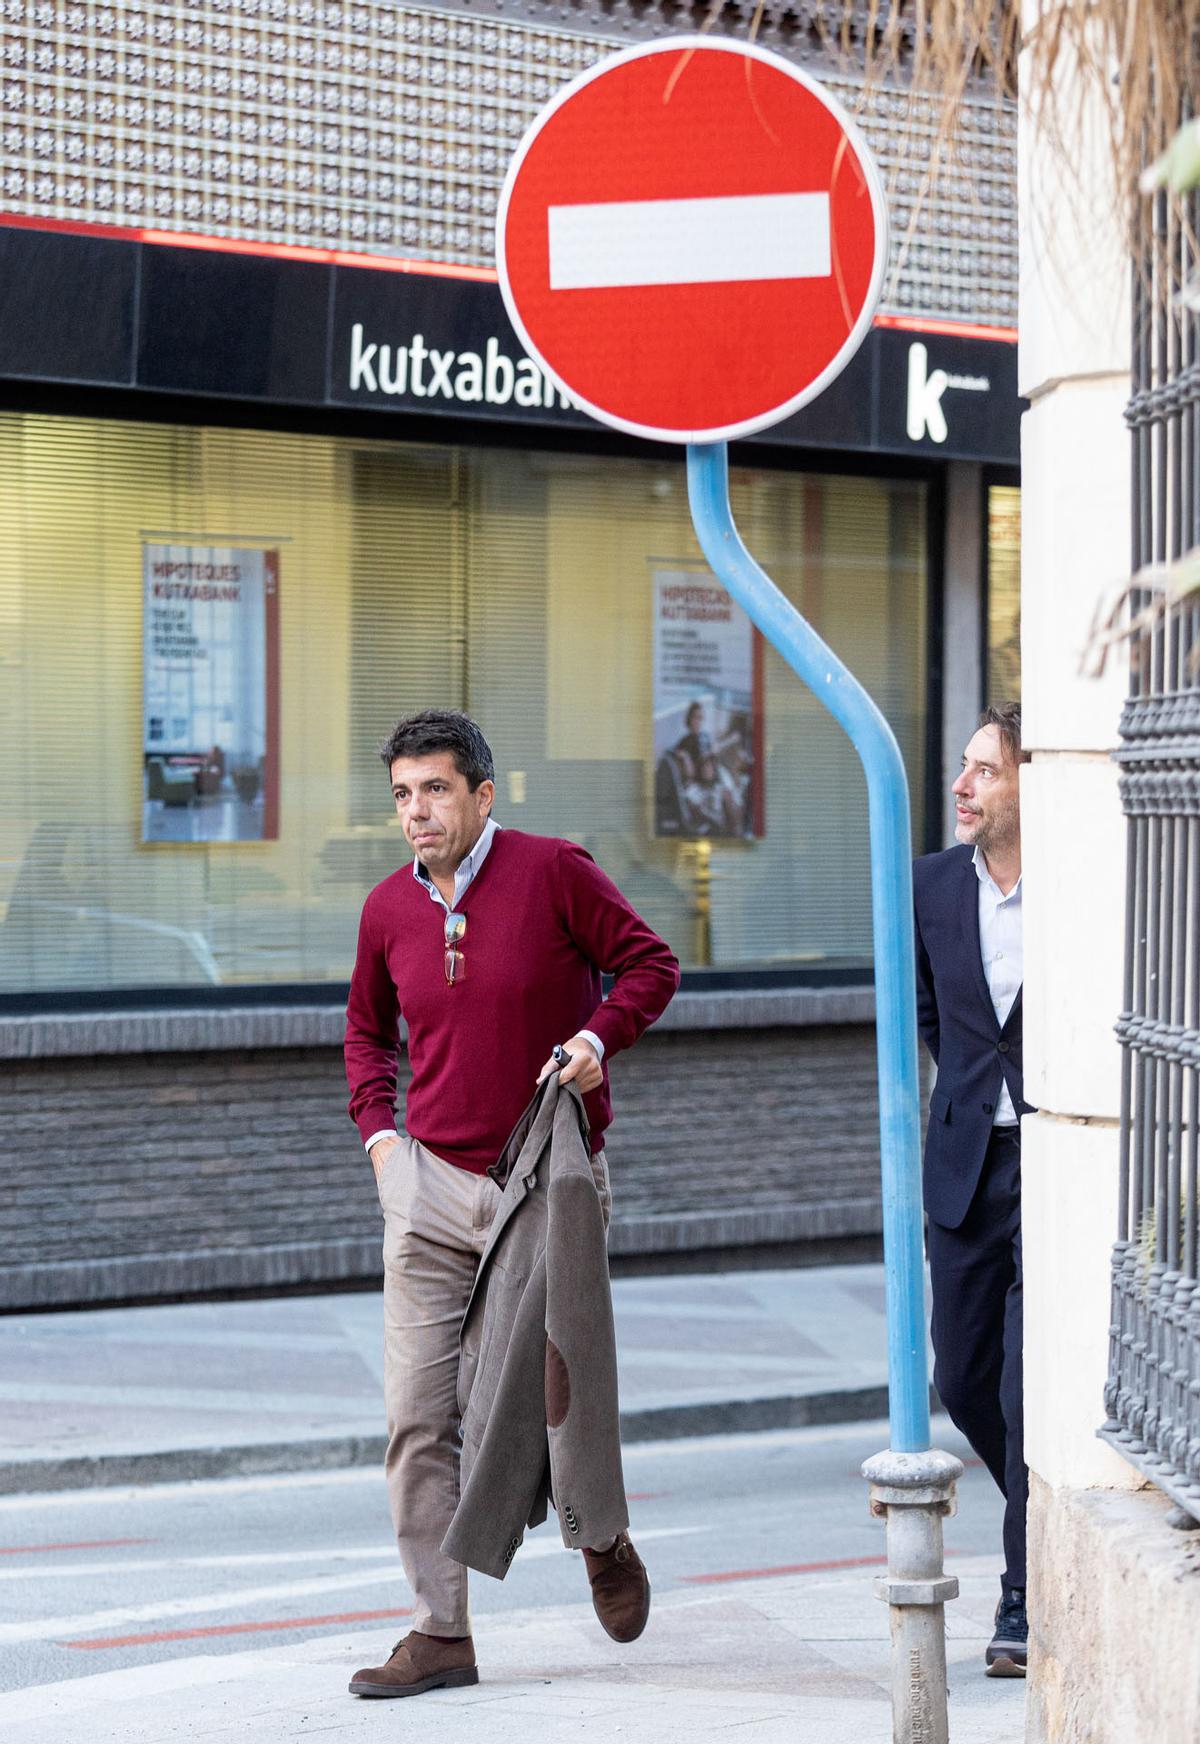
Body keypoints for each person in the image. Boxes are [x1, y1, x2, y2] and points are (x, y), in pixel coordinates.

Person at [343, 709, 680, 1700]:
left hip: (547, 1177)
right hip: (431, 1187)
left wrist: (596, 1040)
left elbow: (651, 965)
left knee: (545, 1391)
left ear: (484, 795)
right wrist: (380, 1140)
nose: (418, 811)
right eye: (404, 793)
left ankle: (599, 1534)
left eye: (436, 789)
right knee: (416, 1414)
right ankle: (440, 1630)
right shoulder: (384, 911)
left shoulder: (553, 870)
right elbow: (366, 1035)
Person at [912, 700, 1032, 1679]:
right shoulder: (931, 885)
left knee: (1031, 1391)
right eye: (964, 767)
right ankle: (1044, 1509)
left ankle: (1022, 1593)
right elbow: (930, 1016)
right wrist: (967, 1095)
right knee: (962, 1377)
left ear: (1031, 782)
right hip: (965, 1167)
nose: (961, 786)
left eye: (984, 770)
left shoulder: (1080, 883)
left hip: (1054, 1161)